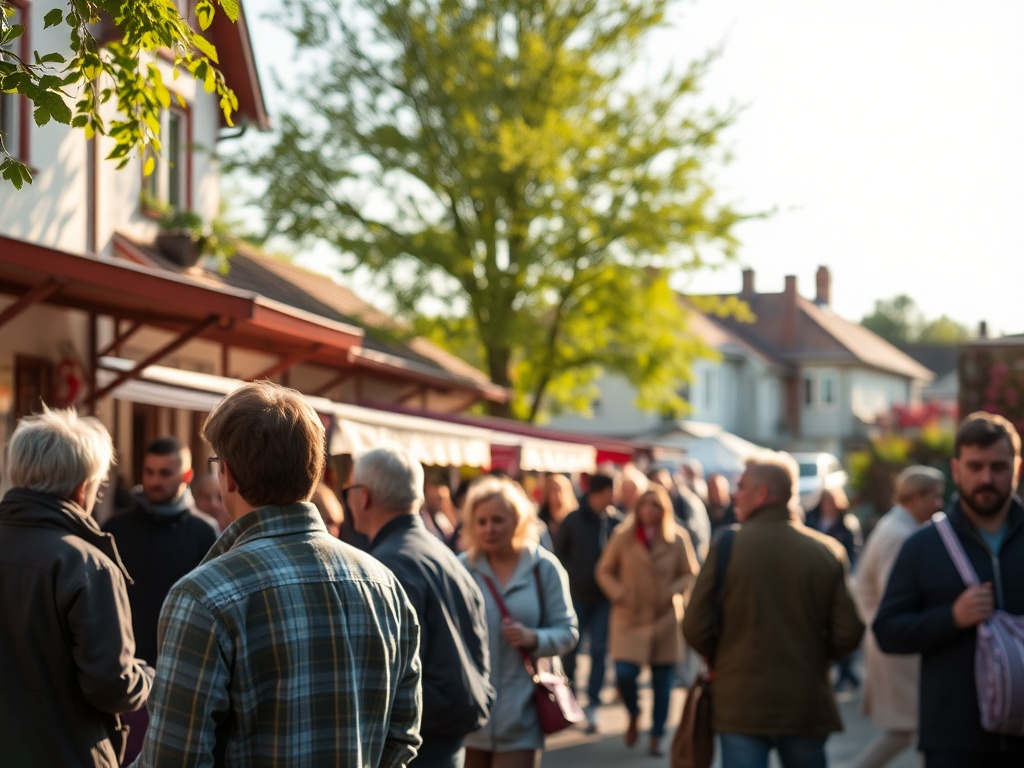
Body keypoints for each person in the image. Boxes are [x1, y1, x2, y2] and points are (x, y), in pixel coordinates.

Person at [133, 381, 422, 766]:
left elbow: (173, 759)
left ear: (228, 476)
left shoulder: (203, 596)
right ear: (314, 471)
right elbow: (402, 738)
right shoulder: (384, 586)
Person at [683, 451, 865, 768]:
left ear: (762, 493)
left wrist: (722, 659)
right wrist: (816, 657)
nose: (735, 494)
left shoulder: (727, 545)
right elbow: (849, 632)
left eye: (741, 487)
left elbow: (694, 626)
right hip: (804, 700)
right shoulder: (827, 551)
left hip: (740, 701)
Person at [0, 407, 153, 767]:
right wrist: (148, 678)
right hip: (64, 752)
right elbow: (111, 685)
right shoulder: (86, 565)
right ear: (82, 487)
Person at [873, 412, 1024, 767]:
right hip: (954, 740)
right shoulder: (924, 546)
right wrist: (952, 618)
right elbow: (888, 631)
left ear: (1017, 469)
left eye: (998, 467)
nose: (986, 478)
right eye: (975, 466)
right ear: (956, 470)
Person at [348, 444, 494, 768]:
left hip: (416, 743)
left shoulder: (388, 566)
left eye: (349, 490)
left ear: (364, 496)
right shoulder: (441, 553)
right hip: (449, 729)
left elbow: (389, 672)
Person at [102, 436, 219, 761]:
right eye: (149, 472)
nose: (155, 480)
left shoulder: (204, 532)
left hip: (181, 676)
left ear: (186, 476)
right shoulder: (116, 528)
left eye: (165, 473)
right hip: (125, 676)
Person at [460, 475, 578, 768]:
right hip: (469, 718)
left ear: (518, 520)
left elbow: (568, 631)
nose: (489, 529)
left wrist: (534, 638)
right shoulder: (461, 568)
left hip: (522, 718)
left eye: (498, 520)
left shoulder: (544, 568)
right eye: (481, 521)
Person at [595, 485, 700, 757]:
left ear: (664, 510)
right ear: (637, 508)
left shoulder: (677, 538)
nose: (650, 510)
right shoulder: (623, 537)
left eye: (656, 505)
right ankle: (634, 712)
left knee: (663, 684)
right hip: (629, 617)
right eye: (645, 504)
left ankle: (657, 734)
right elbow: (604, 570)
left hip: (664, 618)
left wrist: (671, 591)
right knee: (624, 674)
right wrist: (621, 594)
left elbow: (690, 573)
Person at [851, 466, 945, 768]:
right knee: (920, 726)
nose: (939, 505)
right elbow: (898, 596)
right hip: (897, 644)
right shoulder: (898, 535)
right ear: (916, 497)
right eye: (935, 497)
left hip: (893, 641)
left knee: (912, 728)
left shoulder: (898, 527)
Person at [552, 472, 619, 732]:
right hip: (576, 597)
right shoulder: (573, 520)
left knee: (600, 651)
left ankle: (593, 704)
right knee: (570, 652)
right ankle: (569, 700)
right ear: (599, 493)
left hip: (603, 599)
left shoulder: (614, 522)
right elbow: (559, 554)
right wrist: (574, 578)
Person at [805, 485, 864, 692]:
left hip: (838, 580)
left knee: (840, 625)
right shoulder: (811, 520)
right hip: (814, 580)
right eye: (825, 501)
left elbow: (853, 554)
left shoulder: (847, 524)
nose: (828, 505)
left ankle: (846, 671)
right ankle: (845, 674)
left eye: (831, 501)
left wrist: (848, 578)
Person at [649, 466, 711, 564]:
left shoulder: (686, 501)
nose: (658, 487)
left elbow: (695, 533)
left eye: (660, 482)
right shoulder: (651, 503)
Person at [537, 473, 578, 543]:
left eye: (560, 490)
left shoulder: (575, 521)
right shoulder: (540, 522)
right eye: (553, 490)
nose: (557, 495)